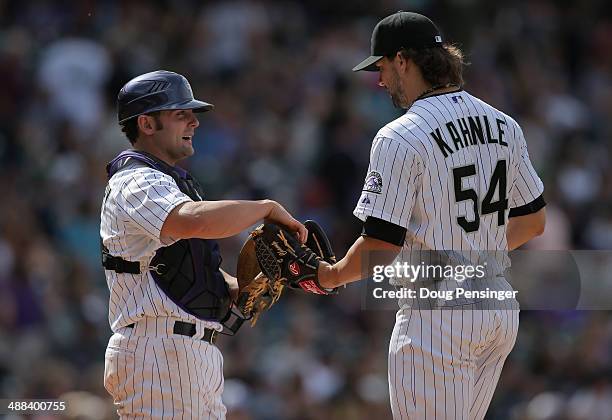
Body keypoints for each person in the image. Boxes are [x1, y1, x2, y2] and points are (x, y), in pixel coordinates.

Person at [317, 11, 546, 419]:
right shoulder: (504, 123)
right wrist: (472, 253)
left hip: (438, 312)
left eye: (383, 67)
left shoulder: (400, 135)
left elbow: (381, 246)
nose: (380, 80)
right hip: (496, 307)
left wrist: (329, 276)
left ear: (403, 60)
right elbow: (533, 221)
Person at [100, 70, 307, 419]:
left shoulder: (168, 182)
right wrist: (265, 208)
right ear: (147, 124)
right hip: (159, 351)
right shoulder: (135, 179)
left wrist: (236, 288)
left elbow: (181, 266)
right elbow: (192, 220)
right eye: (181, 114)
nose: (194, 122)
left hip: (182, 354)